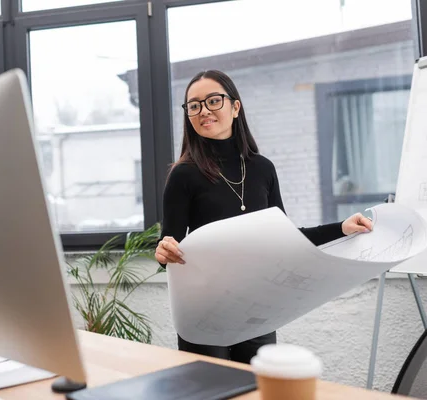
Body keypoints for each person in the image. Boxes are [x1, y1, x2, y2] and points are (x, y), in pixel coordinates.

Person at [155, 69, 373, 364]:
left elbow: (284, 239)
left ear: (235, 107)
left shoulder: (263, 169)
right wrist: (164, 250)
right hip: (205, 310)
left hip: (257, 307)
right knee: (212, 390)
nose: (203, 110)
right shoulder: (183, 174)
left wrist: (341, 228)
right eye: (194, 105)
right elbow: (169, 247)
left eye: (213, 100)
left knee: (258, 390)